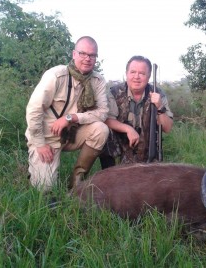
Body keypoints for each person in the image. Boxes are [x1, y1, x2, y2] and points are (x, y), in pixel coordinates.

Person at [25, 36, 109, 192]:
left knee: (101, 129)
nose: (87, 59)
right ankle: (35, 165)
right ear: (74, 54)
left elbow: (103, 112)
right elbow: (34, 109)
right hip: (48, 137)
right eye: (83, 53)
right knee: (44, 189)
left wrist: (71, 118)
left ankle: (76, 183)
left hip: (73, 133)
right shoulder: (56, 75)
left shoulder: (98, 80)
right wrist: (40, 144)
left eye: (92, 55)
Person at [99, 55, 173, 168]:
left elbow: (167, 128)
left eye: (142, 73)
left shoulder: (158, 94)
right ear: (126, 74)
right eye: (133, 72)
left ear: (148, 77)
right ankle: (109, 171)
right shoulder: (114, 92)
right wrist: (128, 129)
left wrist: (160, 107)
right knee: (103, 130)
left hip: (146, 150)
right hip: (120, 147)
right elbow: (107, 119)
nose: (136, 77)